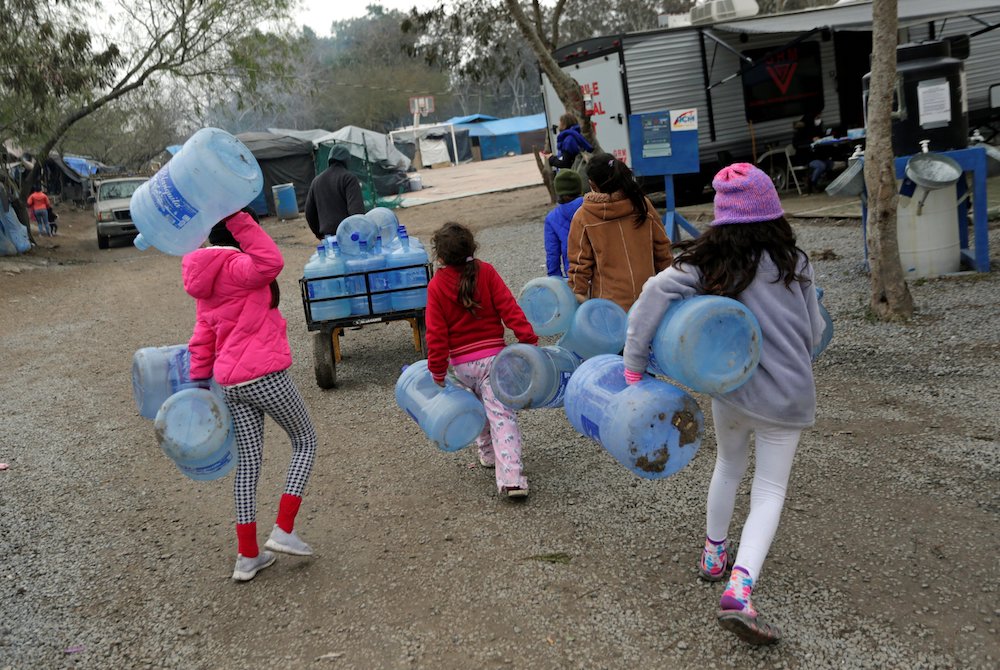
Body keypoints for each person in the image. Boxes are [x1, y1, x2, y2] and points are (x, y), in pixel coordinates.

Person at [622, 163, 826, 645]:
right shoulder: (794, 260)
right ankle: (740, 588)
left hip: (731, 386)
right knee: (770, 489)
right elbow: (815, 333)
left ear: (722, 216)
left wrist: (634, 362)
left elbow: (653, 292)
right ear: (772, 210)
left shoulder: (707, 262)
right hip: (785, 396)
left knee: (729, 467)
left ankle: (714, 554)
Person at [182, 207, 318, 582]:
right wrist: (239, 216)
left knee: (249, 464)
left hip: (231, 383)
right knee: (305, 441)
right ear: (238, 235)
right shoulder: (241, 268)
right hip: (265, 376)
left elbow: (202, 337)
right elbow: (272, 260)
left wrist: (197, 385)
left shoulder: (205, 282)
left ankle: (247, 557)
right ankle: (284, 529)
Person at [424, 222, 538, 499]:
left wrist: (437, 371)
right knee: (501, 414)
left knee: (478, 409)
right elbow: (509, 308)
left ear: (440, 257)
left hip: (462, 367)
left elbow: (436, 335)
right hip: (494, 362)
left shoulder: (436, 285)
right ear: (472, 248)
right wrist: (528, 341)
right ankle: (511, 478)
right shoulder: (486, 272)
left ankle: (487, 454)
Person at [567, 152, 673, 311]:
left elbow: (579, 264)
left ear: (592, 184)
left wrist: (578, 294)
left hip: (609, 307)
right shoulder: (642, 204)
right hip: (649, 300)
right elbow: (663, 250)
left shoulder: (583, 216)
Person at [305, 144, 365, 240]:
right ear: (347, 160)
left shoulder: (316, 181)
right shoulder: (348, 178)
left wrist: (319, 234)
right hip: (348, 237)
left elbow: (309, 213)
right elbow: (356, 212)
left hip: (328, 238)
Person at [544, 169, 585, 278]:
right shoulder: (593, 208)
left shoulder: (552, 218)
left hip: (573, 277)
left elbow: (553, 255)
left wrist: (556, 282)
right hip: (601, 277)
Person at [792, 109, 833, 192]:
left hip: (817, 156)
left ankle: (816, 181)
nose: (818, 119)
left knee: (830, 164)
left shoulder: (817, 128)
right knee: (821, 166)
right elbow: (797, 144)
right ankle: (812, 183)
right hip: (805, 158)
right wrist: (811, 141)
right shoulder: (801, 131)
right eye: (817, 117)